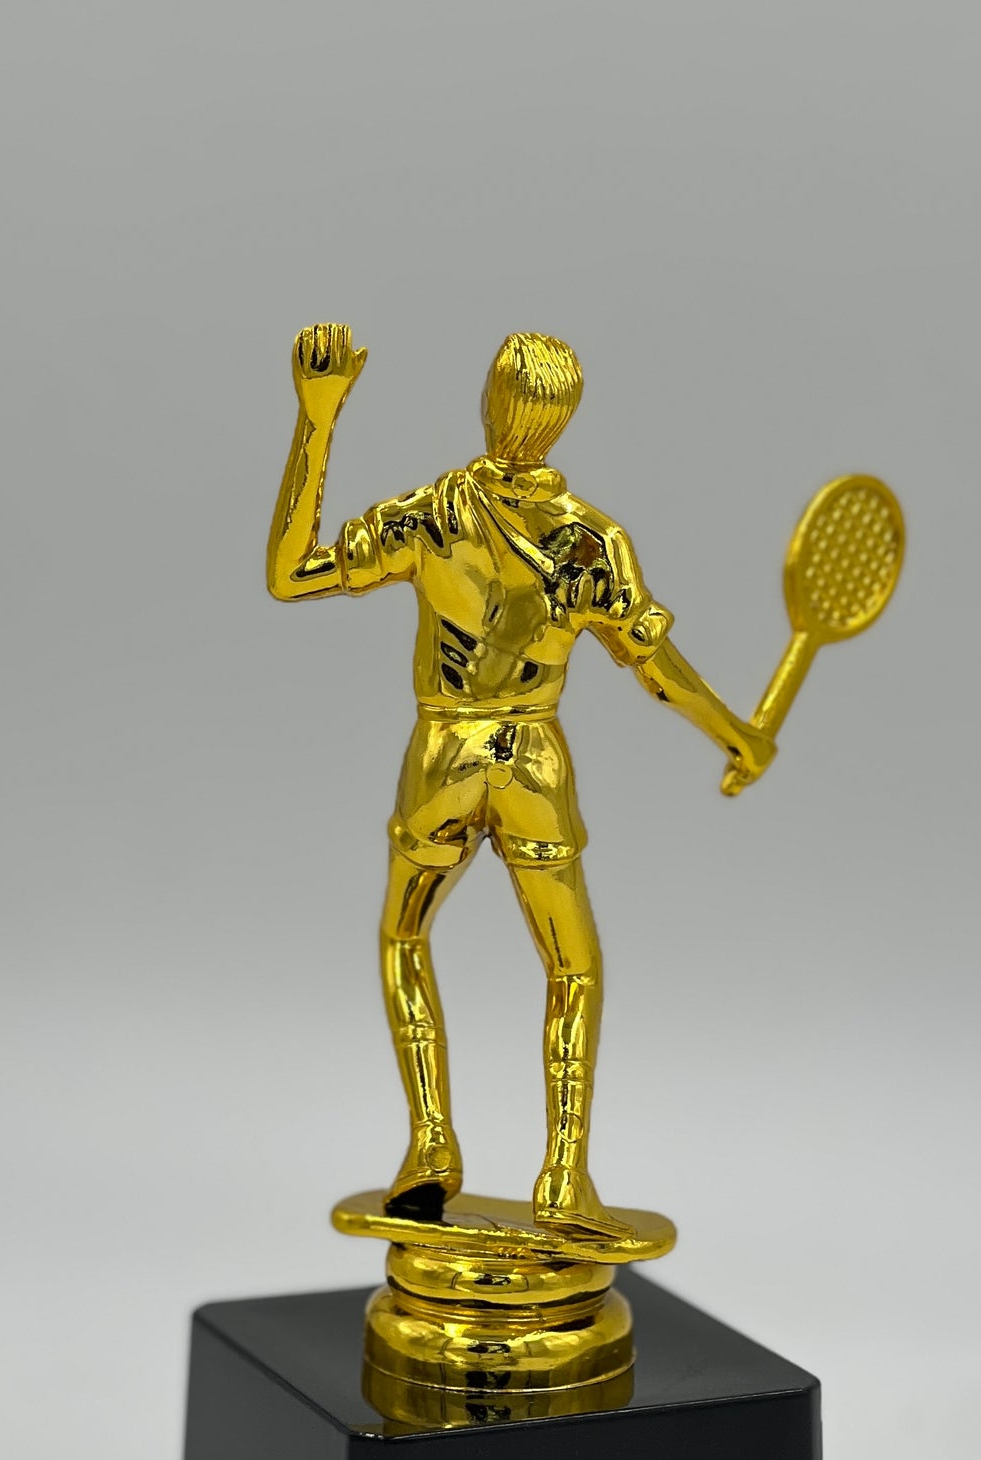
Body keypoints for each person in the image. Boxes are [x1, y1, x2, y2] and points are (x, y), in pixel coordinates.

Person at [268, 324, 774, 1235]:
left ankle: (431, 1143)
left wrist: (318, 419)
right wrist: (736, 736)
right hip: (533, 763)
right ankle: (563, 1175)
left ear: (489, 405)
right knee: (572, 966)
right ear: (562, 420)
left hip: (442, 757)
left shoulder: (433, 513)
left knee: (404, 937)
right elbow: (657, 670)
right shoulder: (590, 541)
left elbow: (291, 574)